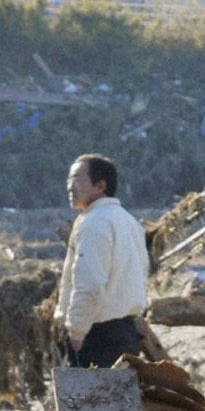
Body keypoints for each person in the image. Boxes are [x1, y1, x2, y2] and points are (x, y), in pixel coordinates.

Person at [58, 154, 149, 368]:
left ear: (100, 185)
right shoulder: (128, 221)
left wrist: (77, 332)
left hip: (97, 334)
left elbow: (90, 284)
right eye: (69, 180)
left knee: (85, 400)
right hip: (127, 332)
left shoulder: (94, 223)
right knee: (117, 400)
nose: (71, 187)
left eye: (78, 179)